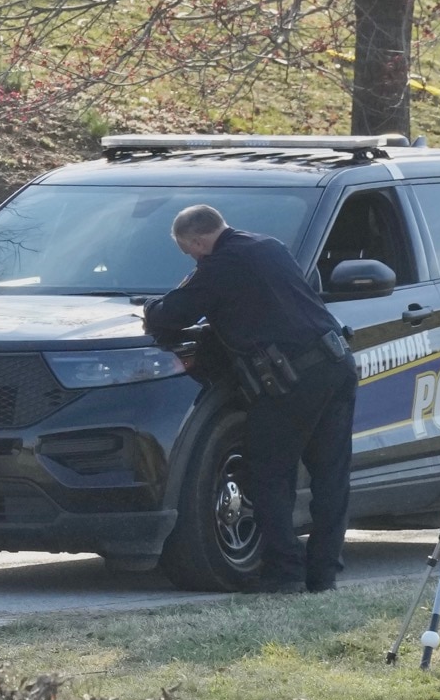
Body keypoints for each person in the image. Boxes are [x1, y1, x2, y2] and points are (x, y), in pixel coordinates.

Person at [143, 204, 359, 594]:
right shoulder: (269, 246)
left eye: (188, 251)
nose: (192, 258)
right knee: (331, 475)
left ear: (197, 241)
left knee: (268, 474)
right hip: (336, 363)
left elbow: (170, 314)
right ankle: (324, 573)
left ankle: (285, 573)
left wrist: (149, 306)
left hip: (292, 379)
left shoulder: (221, 265)